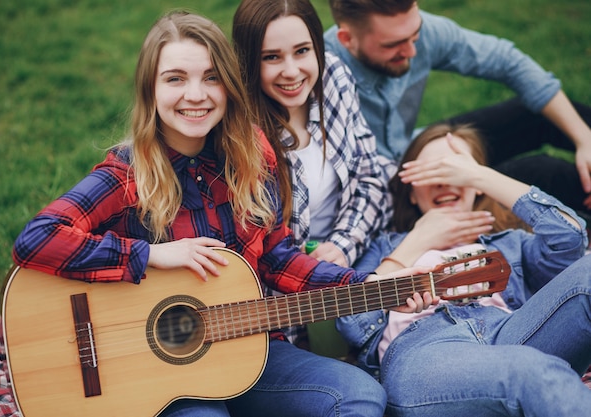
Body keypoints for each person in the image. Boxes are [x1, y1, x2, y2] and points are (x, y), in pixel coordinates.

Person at [11, 10, 437, 417]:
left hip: (252, 350)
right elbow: (37, 238)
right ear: (150, 91)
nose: (195, 95)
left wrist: (374, 285)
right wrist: (152, 255)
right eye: (175, 79)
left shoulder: (252, 159)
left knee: (360, 397)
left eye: (210, 78)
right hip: (153, 372)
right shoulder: (127, 174)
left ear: (229, 86)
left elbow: (277, 259)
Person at [337, 122, 591, 416]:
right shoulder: (385, 248)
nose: (444, 182)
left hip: (513, 330)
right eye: (431, 172)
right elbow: (352, 323)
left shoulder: (511, 243)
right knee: (529, 370)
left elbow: (570, 239)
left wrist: (480, 175)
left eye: (453, 170)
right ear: (410, 193)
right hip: (427, 353)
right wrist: (417, 241)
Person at [324, 0, 591, 217]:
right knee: (541, 172)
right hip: (386, 195)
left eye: (414, 36)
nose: (412, 51)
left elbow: (508, 62)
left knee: (538, 115)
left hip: (413, 146)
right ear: (347, 38)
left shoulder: (417, 32)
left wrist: (583, 138)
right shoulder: (318, 74)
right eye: (393, 45)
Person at [232, 0, 395, 270]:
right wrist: (312, 267)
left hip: (359, 242)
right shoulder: (238, 130)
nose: (292, 71)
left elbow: (369, 174)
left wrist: (342, 246)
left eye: (302, 51)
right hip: (288, 281)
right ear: (248, 61)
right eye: (271, 56)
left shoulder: (333, 76)